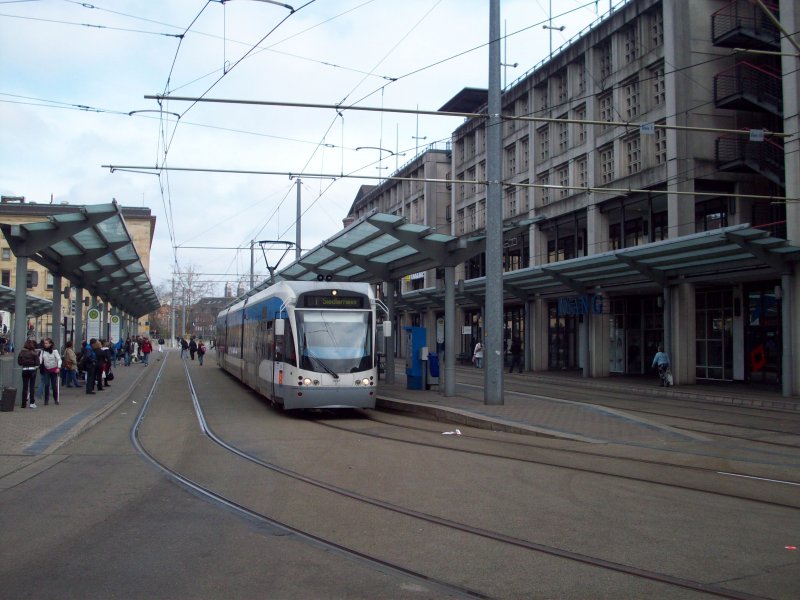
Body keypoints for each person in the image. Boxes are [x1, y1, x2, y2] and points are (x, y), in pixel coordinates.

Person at [39, 337, 62, 405]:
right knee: (47, 385)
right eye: (44, 343)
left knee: (54, 385)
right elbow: (40, 360)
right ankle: (46, 400)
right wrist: (38, 365)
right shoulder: (42, 351)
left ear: (50, 344)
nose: (45, 344)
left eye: (46, 343)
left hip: (54, 370)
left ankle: (56, 399)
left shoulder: (55, 351)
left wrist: (58, 367)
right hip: (46, 370)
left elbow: (59, 359)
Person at [18, 339, 39, 408]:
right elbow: (37, 363)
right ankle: (32, 403)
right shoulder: (34, 353)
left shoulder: (21, 352)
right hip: (32, 370)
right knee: (32, 387)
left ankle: (23, 404)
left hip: (24, 370)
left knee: (25, 387)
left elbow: (19, 363)